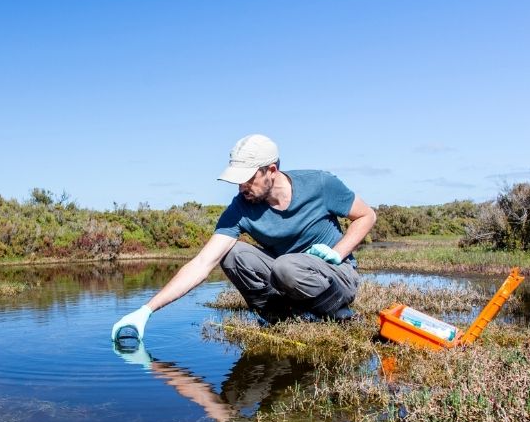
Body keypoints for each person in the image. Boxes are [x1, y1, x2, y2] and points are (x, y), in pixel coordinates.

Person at [111, 133, 377, 341]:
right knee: (233, 254)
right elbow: (202, 263)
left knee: (286, 266)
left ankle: (337, 314)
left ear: (271, 171)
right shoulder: (241, 207)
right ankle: (278, 316)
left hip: (336, 274)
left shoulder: (320, 184)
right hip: (289, 274)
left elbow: (367, 216)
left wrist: (338, 252)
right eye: (238, 180)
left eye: (248, 179)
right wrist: (146, 310)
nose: (242, 187)